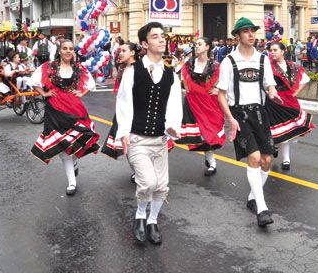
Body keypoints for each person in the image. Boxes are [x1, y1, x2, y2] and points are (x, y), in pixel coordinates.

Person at [114, 22, 183, 245]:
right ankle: (139, 216)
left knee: (162, 185)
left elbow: (174, 106)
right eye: (155, 37)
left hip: (160, 139)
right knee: (147, 182)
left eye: (162, 36)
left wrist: (173, 126)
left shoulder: (171, 75)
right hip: (137, 138)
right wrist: (123, 133)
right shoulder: (133, 71)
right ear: (145, 44)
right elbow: (123, 102)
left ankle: (152, 221)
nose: (162, 40)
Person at [217, 17, 283, 227]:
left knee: (266, 161)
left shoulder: (263, 59)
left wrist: (273, 94)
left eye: (253, 31)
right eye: (246, 31)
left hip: (260, 113)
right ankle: (262, 208)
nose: (251, 35)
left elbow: (269, 85)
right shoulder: (229, 60)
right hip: (240, 114)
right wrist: (230, 118)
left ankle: (253, 197)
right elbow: (221, 94)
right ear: (237, 36)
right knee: (254, 158)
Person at [30, 38, 99, 196]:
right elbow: (34, 82)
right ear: (59, 51)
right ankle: (72, 183)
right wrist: (45, 93)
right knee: (62, 148)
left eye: (71, 49)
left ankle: (74, 162)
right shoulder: (48, 67)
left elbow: (91, 84)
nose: (68, 51)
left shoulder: (79, 68)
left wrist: (81, 92)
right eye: (65, 48)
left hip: (74, 109)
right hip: (54, 109)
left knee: (77, 140)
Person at [177, 37, 225, 176]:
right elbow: (184, 79)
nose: (196, 46)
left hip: (209, 102)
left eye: (199, 44)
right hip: (193, 102)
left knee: (209, 131)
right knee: (200, 132)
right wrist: (187, 87)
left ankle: (210, 159)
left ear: (207, 47)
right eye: (195, 44)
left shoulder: (215, 65)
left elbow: (224, 82)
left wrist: (218, 90)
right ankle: (211, 162)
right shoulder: (189, 63)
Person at [267, 42, 314, 171]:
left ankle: (286, 159)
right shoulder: (268, 66)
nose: (272, 52)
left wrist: (295, 93)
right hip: (273, 102)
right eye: (271, 50)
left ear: (282, 51)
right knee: (276, 130)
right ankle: (275, 148)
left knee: (286, 133)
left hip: (289, 100)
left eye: (275, 50)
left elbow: (305, 79)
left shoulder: (292, 66)